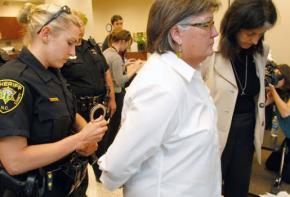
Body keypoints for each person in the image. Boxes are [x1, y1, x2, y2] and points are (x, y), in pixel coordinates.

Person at [98, 0, 221, 196]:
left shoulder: (187, 75)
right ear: (177, 34)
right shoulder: (162, 85)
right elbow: (117, 165)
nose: (214, 32)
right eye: (207, 24)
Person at [0, 3, 107, 197]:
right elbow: (14, 161)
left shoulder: (53, 72)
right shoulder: (13, 80)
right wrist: (79, 140)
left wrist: (87, 133)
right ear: (46, 34)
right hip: (36, 190)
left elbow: (68, 112)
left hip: (67, 184)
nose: (74, 52)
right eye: (69, 43)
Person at [202, 0, 277, 196]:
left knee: (239, 185)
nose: (255, 40)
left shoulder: (261, 50)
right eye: (250, 33)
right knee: (210, 186)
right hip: (216, 130)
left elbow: (252, 89)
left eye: (260, 34)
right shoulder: (210, 52)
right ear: (233, 26)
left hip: (247, 130)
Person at [61, 11, 116, 193]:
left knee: (102, 144)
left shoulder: (92, 46)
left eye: (82, 23)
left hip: (99, 106)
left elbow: (106, 71)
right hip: (79, 109)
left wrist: (112, 98)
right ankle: (82, 182)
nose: (81, 28)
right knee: (82, 149)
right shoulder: (65, 49)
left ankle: (102, 175)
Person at [102, 29, 142, 156]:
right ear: (123, 42)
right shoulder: (115, 57)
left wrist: (125, 65)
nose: (128, 47)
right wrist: (135, 68)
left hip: (107, 94)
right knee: (113, 127)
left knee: (109, 125)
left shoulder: (107, 52)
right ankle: (109, 152)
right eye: (128, 44)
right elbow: (120, 82)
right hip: (117, 94)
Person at [266, 64, 290, 183]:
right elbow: (263, 104)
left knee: (287, 178)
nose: (276, 77)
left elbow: (285, 112)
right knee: (271, 164)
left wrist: (273, 90)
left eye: (278, 75)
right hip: (288, 138)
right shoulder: (279, 93)